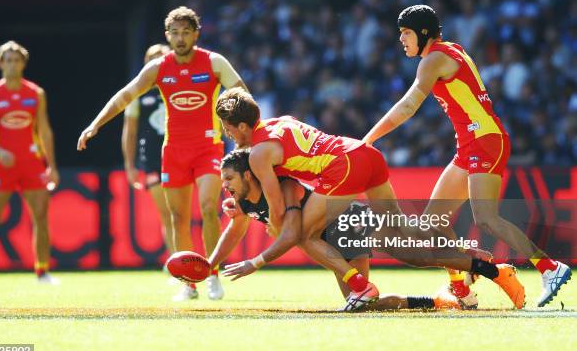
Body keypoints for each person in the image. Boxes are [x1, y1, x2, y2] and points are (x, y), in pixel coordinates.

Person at [215, 88, 524, 311]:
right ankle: (476, 258)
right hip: (365, 154)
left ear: (242, 126)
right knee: (405, 232)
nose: (227, 133)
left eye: (228, 128)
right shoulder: (278, 122)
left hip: (342, 167)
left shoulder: (258, 153)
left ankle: (361, 288)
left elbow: (279, 208)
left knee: (302, 235)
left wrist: (273, 230)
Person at [363, 4, 571, 307]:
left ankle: (549, 267)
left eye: (406, 33)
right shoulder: (450, 50)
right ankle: (461, 289)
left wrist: (367, 140)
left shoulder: (433, 59)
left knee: (486, 219)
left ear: (423, 33)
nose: (402, 40)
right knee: (433, 222)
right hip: (473, 144)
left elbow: (408, 107)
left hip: (484, 141)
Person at [77, 6, 248, 301]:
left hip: (208, 146)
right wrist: (95, 125)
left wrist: (244, 131)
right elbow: (125, 96)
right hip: (173, 151)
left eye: (186, 32)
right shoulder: (159, 67)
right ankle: (188, 283)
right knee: (178, 218)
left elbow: (241, 93)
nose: (180, 38)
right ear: (167, 36)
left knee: (208, 207)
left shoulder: (214, 62)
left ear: (196, 33)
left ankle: (213, 274)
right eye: (175, 33)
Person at [211, 149, 463, 311]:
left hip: (349, 223)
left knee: (416, 254)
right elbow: (234, 231)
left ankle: (467, 263)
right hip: (332, 246)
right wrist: (209, 264)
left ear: (247, 176)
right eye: (223, 180)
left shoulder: (282, 188)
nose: (224, 185)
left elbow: (293, 235)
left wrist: (255, 261)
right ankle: (436, 301)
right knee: (364, 305)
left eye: (229, 179)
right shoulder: (242, 202)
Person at [0, 41, 60, 287]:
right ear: (0, 63)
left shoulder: (35, 93)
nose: (12, 64)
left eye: (16, 60)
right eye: (7, 60)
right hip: (3, 164)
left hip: (31, 163)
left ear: (23, 64)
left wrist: (51, 165)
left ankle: (42, 271)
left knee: (41, 217)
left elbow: (44, 131)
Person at [122, 44, 177, 272]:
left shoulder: (180, 87)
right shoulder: (139, 93)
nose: (157, 62)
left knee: (181, 212)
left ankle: (188, 259)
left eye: (161, 57)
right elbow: (130, 130)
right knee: (167, 213)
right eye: (152, 58)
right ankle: (177, 261)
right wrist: (129, 164)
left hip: (181, 156)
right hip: (153, 159)